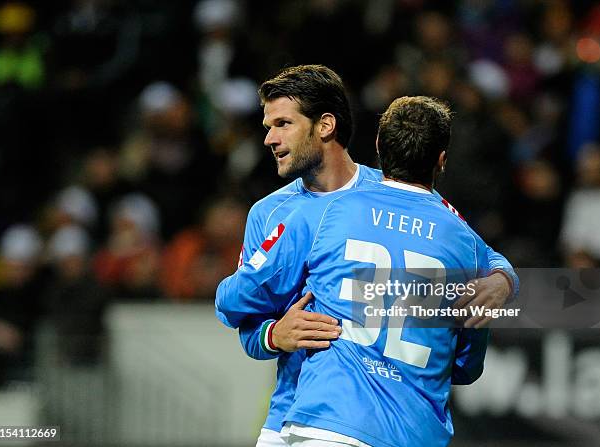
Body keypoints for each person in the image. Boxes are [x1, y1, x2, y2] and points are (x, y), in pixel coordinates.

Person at [216, 65, 517, 446]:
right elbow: (247, 326)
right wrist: (275, 335)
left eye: (282, 124)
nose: (269, 139)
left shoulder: (394, 187)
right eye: (267, 127)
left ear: (325, 125)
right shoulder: (268, 213)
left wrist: (501, 280)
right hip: (296, 414)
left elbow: (487, 256)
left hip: (332, 422)